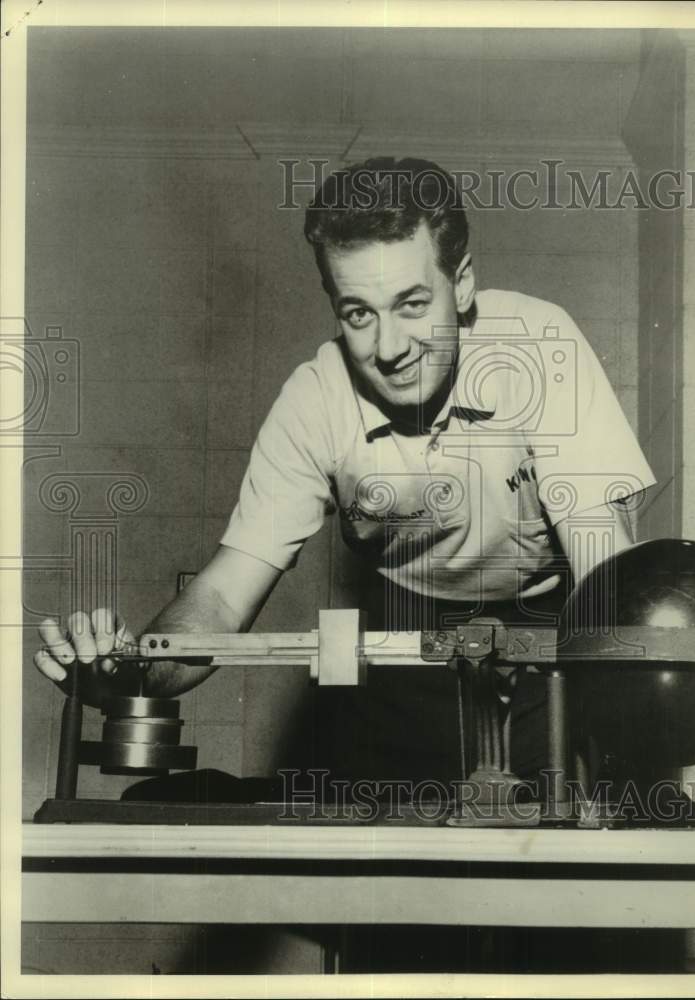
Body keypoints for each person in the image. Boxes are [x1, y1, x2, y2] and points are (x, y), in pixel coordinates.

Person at [33, 156, 659, 969]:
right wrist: (127, 673)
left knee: (557, 927)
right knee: (396, 929)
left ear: (462, 283)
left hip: (551, 644)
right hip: (399, 653)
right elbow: (222, 599)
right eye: (357, 313)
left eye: (412, 305)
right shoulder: (313, 400)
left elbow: (605, 575)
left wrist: (626, 736)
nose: (389, 347)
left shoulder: (541, 349)